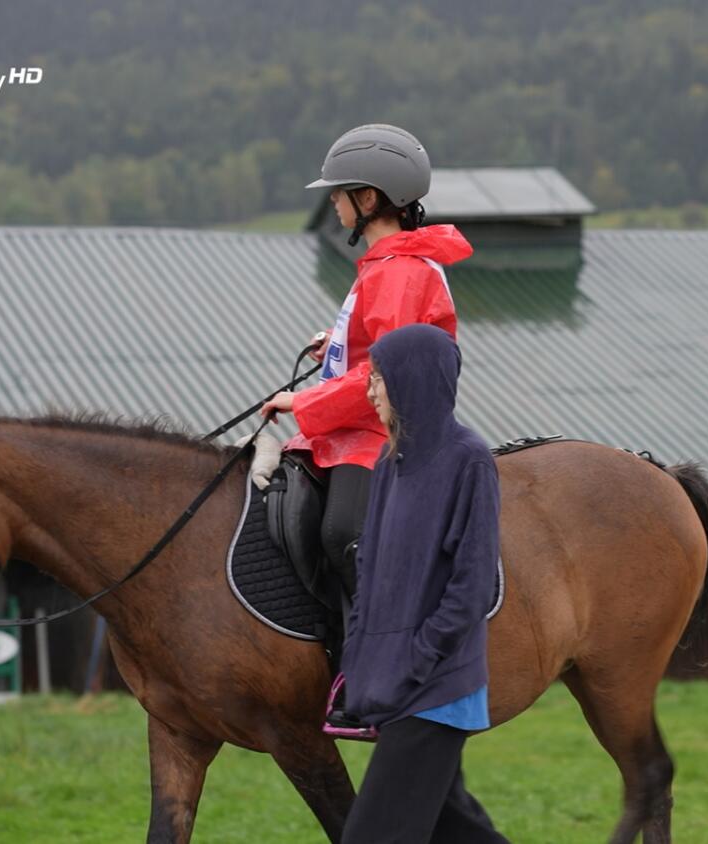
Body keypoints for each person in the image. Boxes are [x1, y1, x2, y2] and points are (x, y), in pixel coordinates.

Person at [259, 124, 472, 725]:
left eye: (340, 191)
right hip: (355, 425)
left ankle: (387, 669)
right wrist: (336, 342)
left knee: (342, 533)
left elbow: (389, 374)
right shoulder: (386, 264)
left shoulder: (401, 271)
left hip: (381, 432)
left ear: (370, 200)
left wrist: (302, 404)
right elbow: (375, 344)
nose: (332, 201)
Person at [340, 323, 508, 843]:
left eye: (379, 378)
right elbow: (370, 568)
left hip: (438, 684)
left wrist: (417, 656)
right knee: (456, 831)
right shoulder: (389, 463)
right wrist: (361, 651)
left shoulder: (469, 460)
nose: (370, 389)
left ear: (412, 380)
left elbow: (474, 583)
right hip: (396, 681)